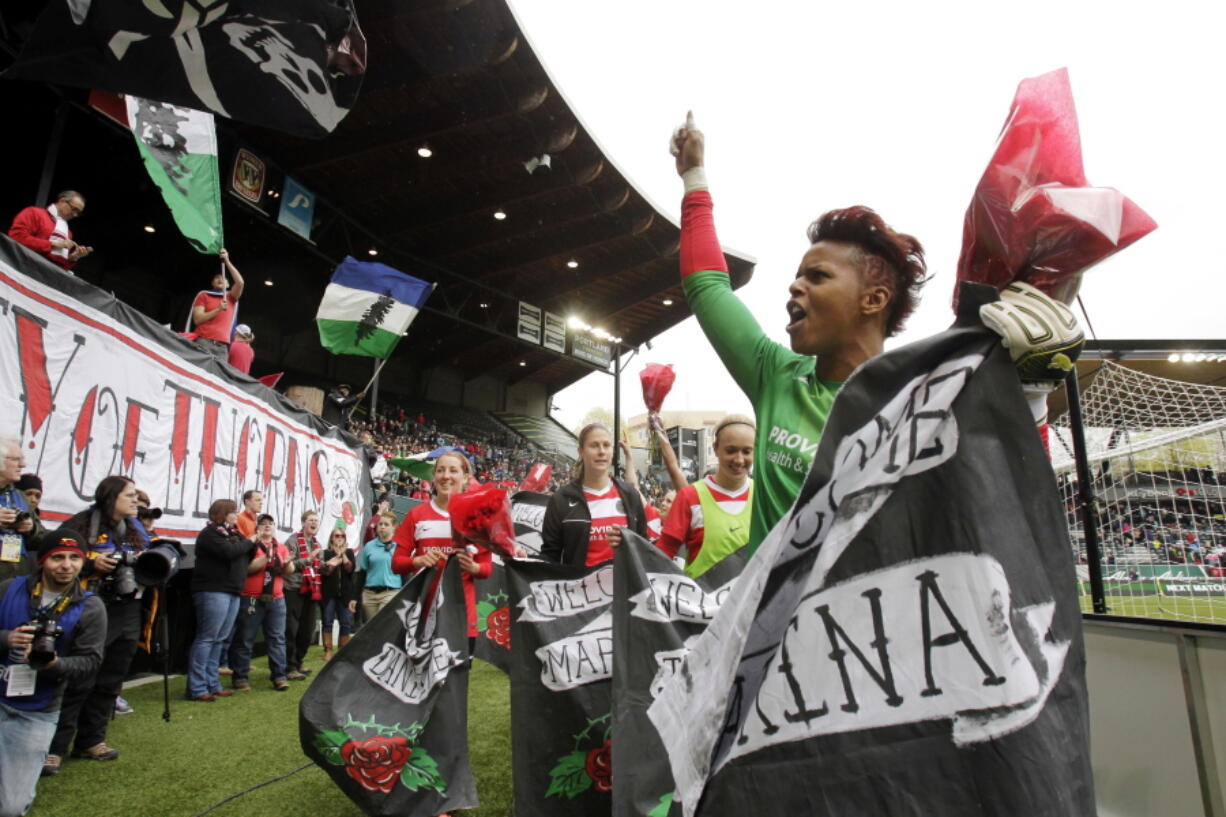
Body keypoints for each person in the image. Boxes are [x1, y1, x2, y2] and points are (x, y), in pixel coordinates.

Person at [670, 113, 1080, 552]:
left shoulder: (925, 398)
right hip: (768, 622)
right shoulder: (777, 377)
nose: (795, 286)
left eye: (818, 276)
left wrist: (1033, 396)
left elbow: (1009, 499)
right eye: (797, 276)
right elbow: (707, 285)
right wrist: (694, 178)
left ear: (873, 300)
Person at [48, 476, 151, 768]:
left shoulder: (136, 529)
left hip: (129, 608)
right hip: (89, 608)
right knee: (78, 679)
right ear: (110, 496)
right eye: (129, 495)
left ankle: (91, 740)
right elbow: (53, 559)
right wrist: (92, 565)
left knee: (110, 679)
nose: (135, 500)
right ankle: (54, 746)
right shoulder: (80, 523)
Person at [0, 530, 104, 815]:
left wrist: (53, 665)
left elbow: (91, 663)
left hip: (36, 709)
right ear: (42, 561)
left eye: (75, 558)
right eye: (57, 557)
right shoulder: (9, 588)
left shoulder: (90, 606)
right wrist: (7, 639)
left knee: (10, 808)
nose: (66, 565)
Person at [392, 451, 492, 643]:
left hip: (462, 619)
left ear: (465, 478)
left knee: (456, 673)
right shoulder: (416, 515)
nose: (446, 476)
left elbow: (487, 568)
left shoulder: (477, 519)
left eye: (453, 470)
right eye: (440, 470)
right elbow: (397, 563)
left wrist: (474, 568)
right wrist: (417, 561)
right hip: (422, 616)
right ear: (434, 477)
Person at [658, 414, 756, 577]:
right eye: (731, 451)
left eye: (747, 451)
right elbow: (663, 554)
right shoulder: (690, 496)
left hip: (751, 601)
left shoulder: (762, 496)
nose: (739, 460)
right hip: (700, 600)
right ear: (716, 448)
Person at [541, 423, 648, 565]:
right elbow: (549, 557)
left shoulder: (630, 495)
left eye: (606, 445)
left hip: (624, 586)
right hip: (578, 586)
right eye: (594, 445)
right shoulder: (561, 499)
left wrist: (629, 542)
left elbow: (645, 548)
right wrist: (522, 559)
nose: (602, 451)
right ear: (581, 451)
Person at [187, 499, 254, 702]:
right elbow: (230, 552)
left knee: (220, 638)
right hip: (213, 590)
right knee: (207, 638)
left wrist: (248, 542)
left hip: (232, 590)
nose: (236, 516)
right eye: (232, 512)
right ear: (222, 514)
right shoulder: (210, 534)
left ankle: (212, 683)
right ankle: (197, 687)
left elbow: (246, 554)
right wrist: (249, 541)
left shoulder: (234, 535)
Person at [231, 514, 294, 691]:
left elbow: (288, 571)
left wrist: (287, 564)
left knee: (277, 639)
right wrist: (265, 558)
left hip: (276, 599)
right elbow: (247, 569)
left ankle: (279, 676)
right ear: (257, 527)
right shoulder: (249, 546)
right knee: (245, 638)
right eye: (263, 524)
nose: (267, 526)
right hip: (252, 597)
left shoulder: (280, 547)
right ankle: (241, 677)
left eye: (270, 524)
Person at [7, 190, 93, 272]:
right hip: (20, 267)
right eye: (74, 209)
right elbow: (15, 238)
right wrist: (53, 244)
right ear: (62, 201)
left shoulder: (68, 233)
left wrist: (72, 258)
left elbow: (58, 269)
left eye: (78, 213)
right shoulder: (34, 213)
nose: (74, 214)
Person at [284, 510, 324, 680]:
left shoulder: (316, 543)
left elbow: (318, 566)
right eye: (310, 520)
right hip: (294, 589)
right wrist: (307, 559)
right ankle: (289, 666)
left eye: (316, 520)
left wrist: (327, 565)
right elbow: (288, 565)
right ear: (303, 523)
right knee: (291, 630)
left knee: (307, 630)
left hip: (311, 591)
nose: (314, 523)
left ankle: (299, 661)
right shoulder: (292, 541)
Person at [190, 248, 245, 363]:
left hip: (222, 348)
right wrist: (218, 309)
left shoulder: (231, 297)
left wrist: (227, 261)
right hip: (204, 341)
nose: (220, 279)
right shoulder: (204, 295)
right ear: (212, 283)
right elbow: (198, 319)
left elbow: (240, 282)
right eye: (216, 277)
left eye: (223, 277)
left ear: (229, 284)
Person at [0, 439, 36, 582]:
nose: (23, 465)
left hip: (14, 582)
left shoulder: (19, 496)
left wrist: (31, 529)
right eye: (16, 460)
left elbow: (41, 538)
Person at [319, 527, 356, 661]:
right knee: (327, 621)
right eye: (336, 535)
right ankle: (328, 650)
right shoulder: (326, 553)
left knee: (345, 622)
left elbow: (349, 569)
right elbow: (325, 571)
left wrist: (343, 555)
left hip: (345, 595)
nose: (339, 537)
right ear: (331, 538)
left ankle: (342, 651)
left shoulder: (350, 552)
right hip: (329, 594)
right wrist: (336, 558)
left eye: (342, 535)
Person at [358, 511, 402, 620]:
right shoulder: (369, 546)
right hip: (370, 594)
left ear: (394, 527)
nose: (382, 527)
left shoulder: (399, 547)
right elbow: (362, 572)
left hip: (390, 593)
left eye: (386, 524)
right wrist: (356, 597)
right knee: (371, 630)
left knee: (381, 624)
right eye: (380, 524)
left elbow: (405, 572)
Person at [16, 475, 45, 539]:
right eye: (28, 494)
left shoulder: (37, 523)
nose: (33, 500)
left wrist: (33, 529)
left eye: (38, 496)